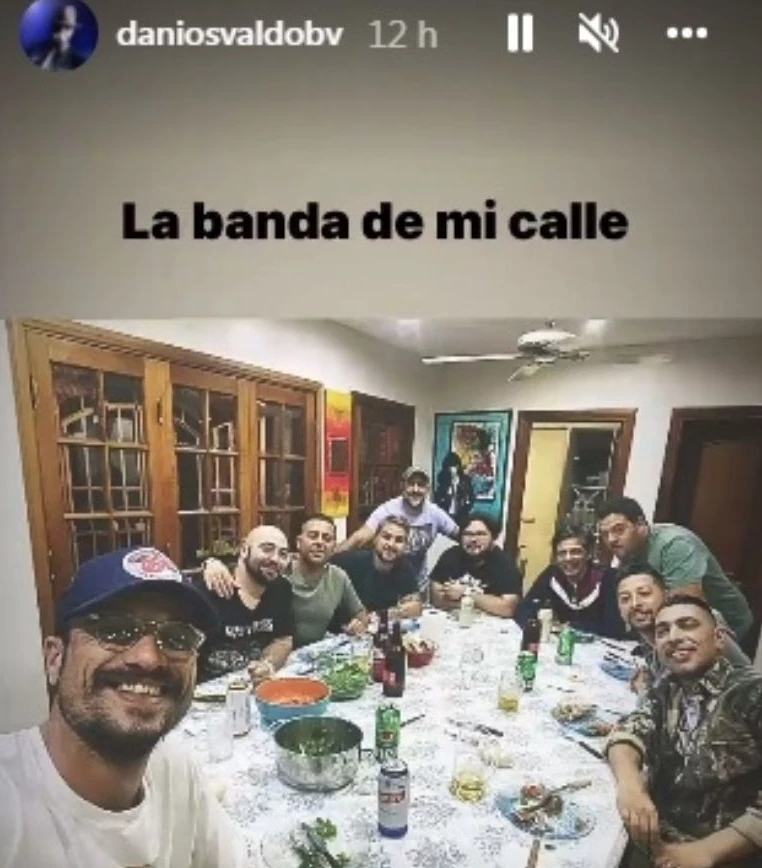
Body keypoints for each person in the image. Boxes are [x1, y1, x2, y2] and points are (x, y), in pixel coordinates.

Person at [0, 546, 247, 868]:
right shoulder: (10, 808)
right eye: (113, 630)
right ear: (54, 659)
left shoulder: (176, 769)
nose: (148, 658)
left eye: (178, 637)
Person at [605, 594, 762, 868]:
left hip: (726, 855)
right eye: (663, 631)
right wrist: (630, 785)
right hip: (657, 839)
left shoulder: (750, 693)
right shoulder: (668, 687)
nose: (674, 637)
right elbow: (628, 732)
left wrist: (707, 852)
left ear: (719, 638)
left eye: (687, 625)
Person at [597, 496, 753, 648]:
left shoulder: (674, 545)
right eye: (605, 534)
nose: (611, 539)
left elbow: (684, 609)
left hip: (728, 625)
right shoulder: (629, 550)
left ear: (640, 524)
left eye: (619, 530)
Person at [203, 515, 368, 648]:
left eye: (327, 538)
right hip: (273, 655)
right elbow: (249, 568)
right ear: (298, 542)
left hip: (311, 654)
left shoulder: (338, 576)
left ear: (333, 546)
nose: (319, 542)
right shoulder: (279, 571)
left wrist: (358, 624)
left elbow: (361, 615)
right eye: (313, 536)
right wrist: (210, 563)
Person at [615, 563, 750, 696]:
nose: (634, 604)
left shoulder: (700, 619)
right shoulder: (647, 638)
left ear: (666, 595)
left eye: (644, 593)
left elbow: (745, 677)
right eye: (625, 599)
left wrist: (646, 693)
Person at [194, 525, 295, 684]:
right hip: (208, 691)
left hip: (256, 686)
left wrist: (268, 665)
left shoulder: (282, 588)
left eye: (283, 554)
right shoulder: (207, 590)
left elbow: (283, 639)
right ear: (243, 550)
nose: (275, 559)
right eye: (267, 549)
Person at [335, 466, 460, 592]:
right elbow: (360, 537)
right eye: (411, 484)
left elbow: (461, 535)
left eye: (421, 485)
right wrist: (331, 557)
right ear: (403, 486)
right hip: (387, 582)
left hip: (418, 584)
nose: (415, 489)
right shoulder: (388, 510)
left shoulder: (435, 513)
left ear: (427, 489)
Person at [514, 524, 628, 638]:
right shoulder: (552, 575)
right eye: (562, 553)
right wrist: (535, 623)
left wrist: (571, 626)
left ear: (588, 554)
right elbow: (523, 609)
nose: (568, 558)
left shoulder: (607, 579)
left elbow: (614, 627)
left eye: (575, 552)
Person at [429, 513, 522, 618]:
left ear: (493, 537)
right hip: (454, 619)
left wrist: (466, 593)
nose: (473, 539)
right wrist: (485, 603)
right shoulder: (450, 556)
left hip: (491, 622)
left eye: (481, 534)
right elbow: (437, 599)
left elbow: (507, 609)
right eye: (468, 534)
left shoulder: (504, 563)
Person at [331, 515, 423, 620]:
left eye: (399, 540)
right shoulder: (350, 562)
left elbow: (416, 607)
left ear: (405, 546)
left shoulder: (405, 567)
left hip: (377, 626)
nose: (391, 544)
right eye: (386, 537)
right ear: (375, 538)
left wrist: (381, 615)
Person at [29, 4, 89, 71]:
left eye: (67, 27)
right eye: (58, 27)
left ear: (73, 31)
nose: (61, 32)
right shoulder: (38, 55)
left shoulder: (78, 62)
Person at [433, 451, 475, 527]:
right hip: (446, 515)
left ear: (458, 466)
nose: (452, 469)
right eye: (449, 467)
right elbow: (438, 499)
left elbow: (471, 497)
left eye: (454, 466)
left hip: (462, 515)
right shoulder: (443, 480)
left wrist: (467, 508)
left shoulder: (465, 480)